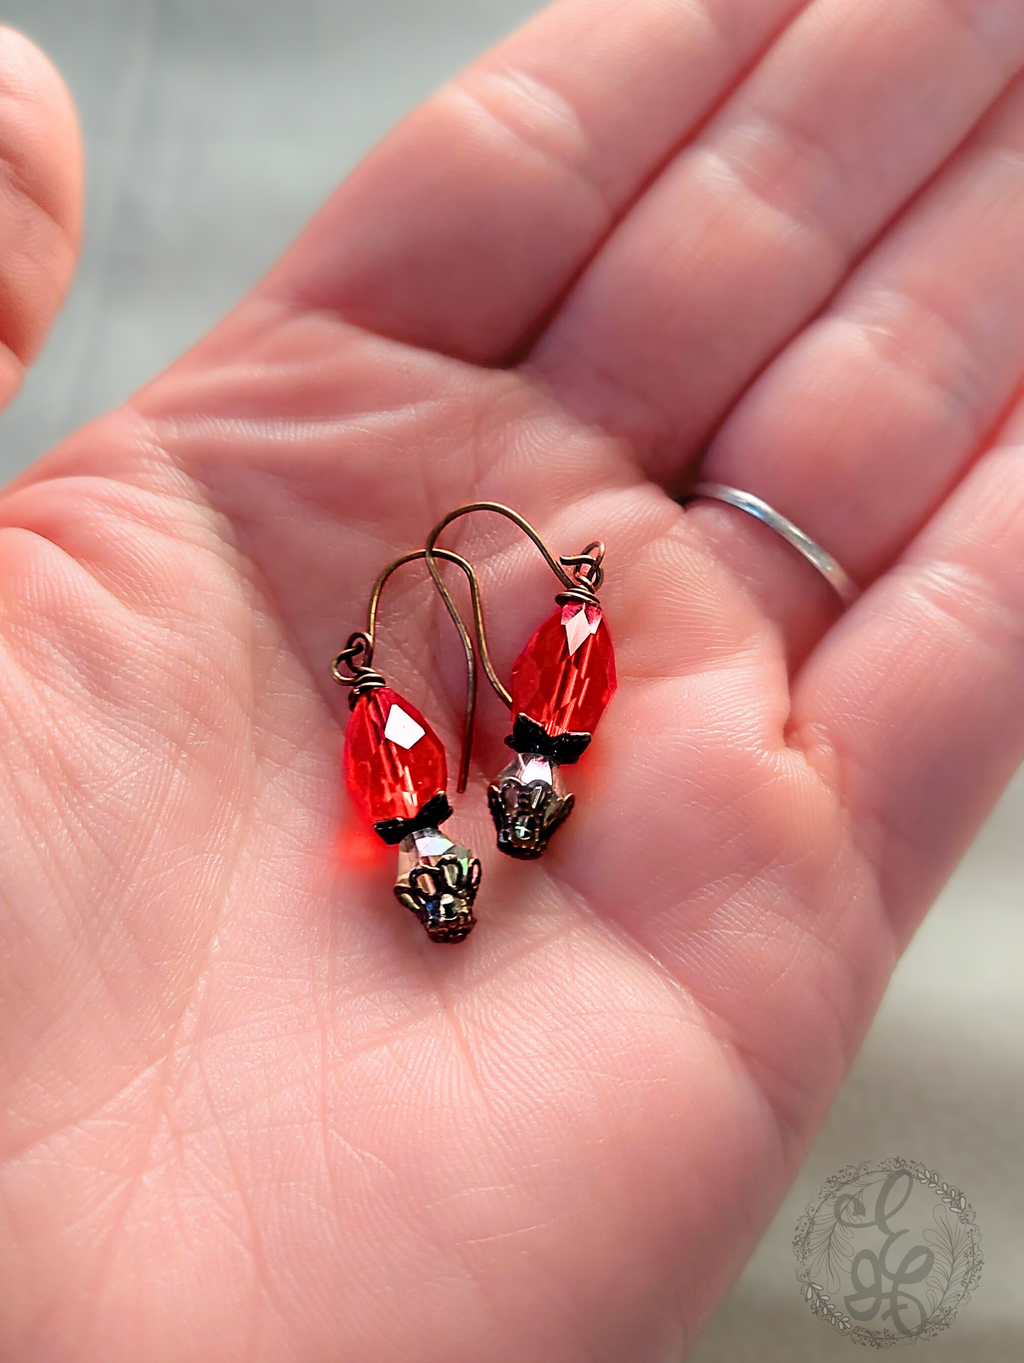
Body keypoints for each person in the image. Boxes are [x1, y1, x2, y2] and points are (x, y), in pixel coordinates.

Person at [0, 0, 1021, 1357]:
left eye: (460, 867)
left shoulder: (508, 735)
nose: (460, 882)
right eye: (457, 874)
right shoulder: (440, 771)